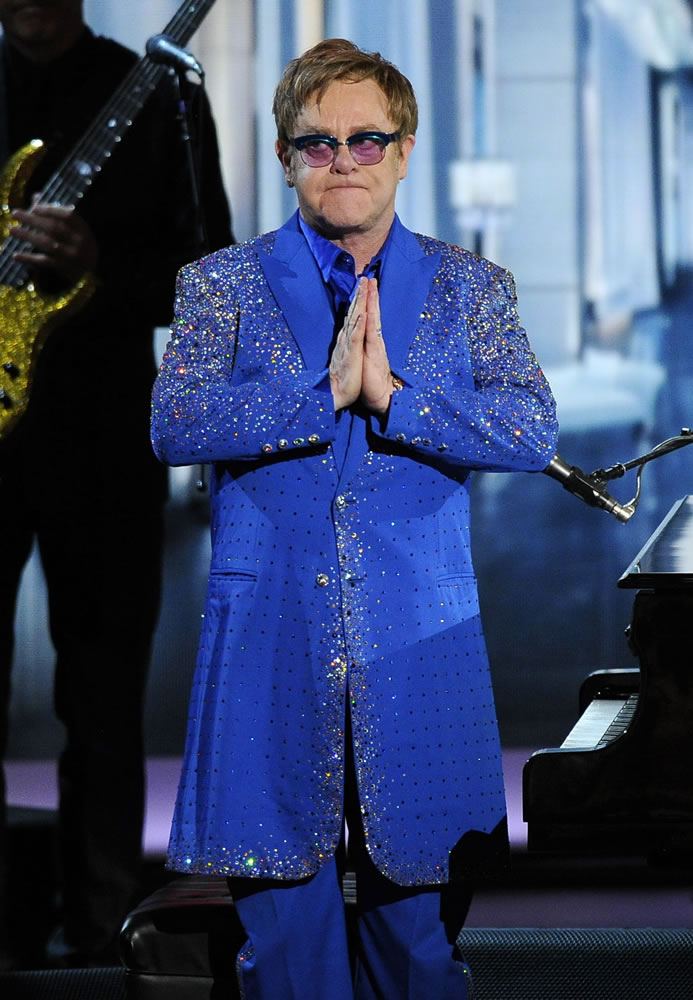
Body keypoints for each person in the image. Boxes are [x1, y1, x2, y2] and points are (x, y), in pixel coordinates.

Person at [151, 37, 557, 1000]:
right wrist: (317, 396)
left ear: (404, 151)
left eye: (365, 141)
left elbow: (530, 429)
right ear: (287, 157)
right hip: (266, 650)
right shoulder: (219, 284)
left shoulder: (471, 288)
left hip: (419, 652)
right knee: (287, 967)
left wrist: (393, 398)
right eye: (318, 142)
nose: (342, 161)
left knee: (417, 956)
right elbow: (174, 423)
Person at [0, 0, 233, 969]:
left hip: (102, 437)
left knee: (103, 701)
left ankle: (101, 944)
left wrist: (103, 267)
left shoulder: (162, 95)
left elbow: (213, 273)